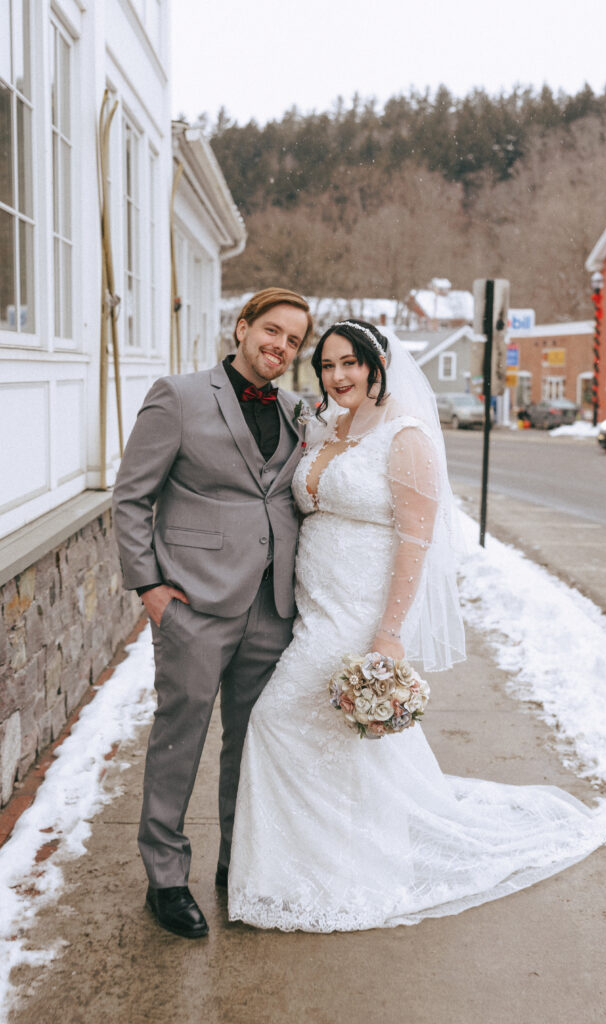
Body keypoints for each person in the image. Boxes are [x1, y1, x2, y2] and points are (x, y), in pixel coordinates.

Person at [227, 319, 605, 932]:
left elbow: (416, 540)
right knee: (343, 748)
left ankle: (314, 876)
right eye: (326, 366)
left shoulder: (406, 436)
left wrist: (389, 632)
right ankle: (327, 865)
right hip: (314, 608)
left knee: (277, 723)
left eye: (350, 363)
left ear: (379, 366)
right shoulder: (329, 426)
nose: (337, 376)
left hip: (358, 615)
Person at [112, 287, 313, 939]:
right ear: (242, 326)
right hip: (192, 602)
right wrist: (149, 587)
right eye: (271, 331)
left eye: (293, 341)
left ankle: (238, 862)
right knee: (180, 736)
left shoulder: (293, 410)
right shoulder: (179, 395)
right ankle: (166, 878)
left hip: (270, 604)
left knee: (250, 744)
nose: (279, 346)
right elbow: (129, 498)